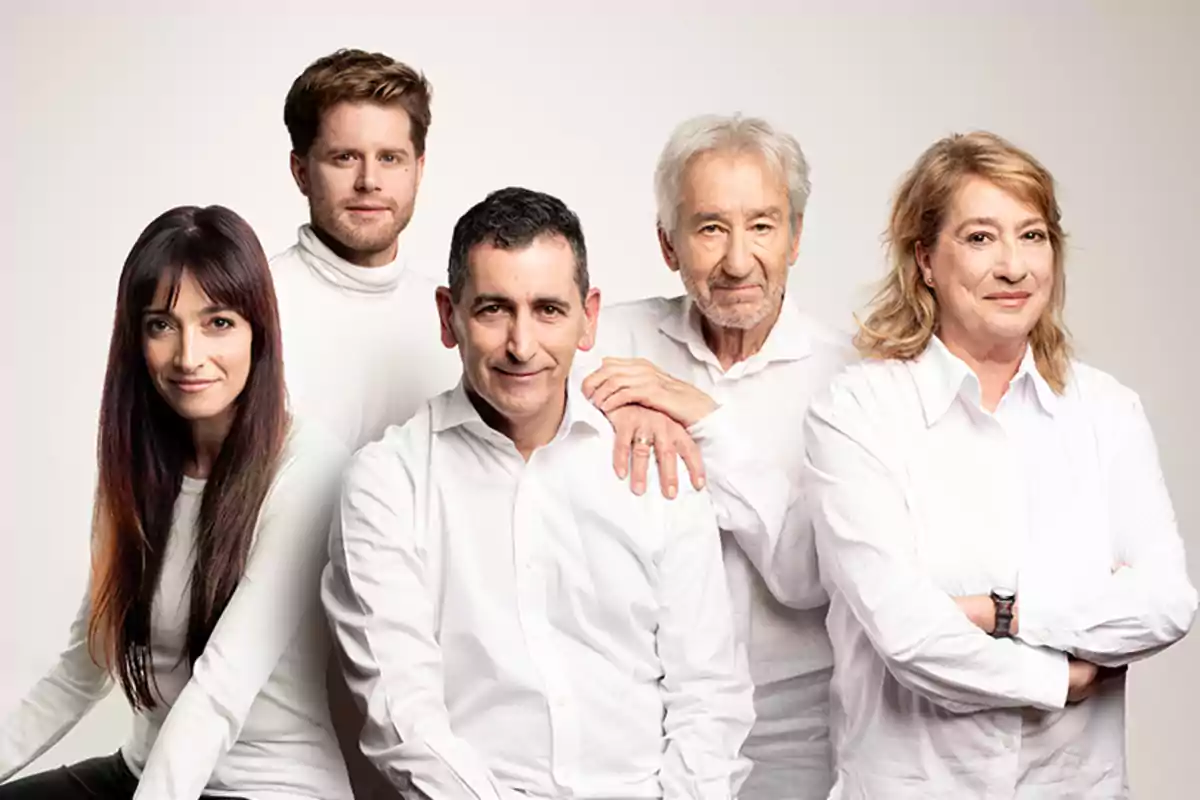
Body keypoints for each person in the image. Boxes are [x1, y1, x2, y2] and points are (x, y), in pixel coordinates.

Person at [322, 187, 755, 800]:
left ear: (589, 317)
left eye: (548, 310)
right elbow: (403, 717)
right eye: (494, 310)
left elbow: (709, 694)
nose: (522, 345)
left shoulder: (654, 459)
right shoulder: (388, 483)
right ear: (449, 317)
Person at [803, 130, 1198, 797]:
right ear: (925, 258)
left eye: (1033, 236)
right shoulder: (858, 412)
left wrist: (999, 612)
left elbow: (1165, 604)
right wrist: (1055, 675)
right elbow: (906, 635)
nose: (1014, 268)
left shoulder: (1107, 410)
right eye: (981, 238)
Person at [0, 206, 353, 800]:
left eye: (218, 322)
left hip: (269, 788)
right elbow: (79, 672)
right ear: (136, 340)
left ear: (258, 331)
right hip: (146, 771)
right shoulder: (136, 467)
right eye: (162, 325)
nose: (189, 356)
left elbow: (221, 692)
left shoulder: (309, 465)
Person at [581, 114, 851, 799]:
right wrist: (628, 403)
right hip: (632, 713)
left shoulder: (847, 381)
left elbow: (807, 575)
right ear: (668, 245)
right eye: (709, 228)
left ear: (795, 237)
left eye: (761, 225)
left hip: (795, 727)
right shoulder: (606, 342)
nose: (737, 260)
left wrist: (701, 418)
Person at [273, 48, 460, 451]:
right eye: (344, 158)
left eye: (390, 158)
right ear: (301, 172)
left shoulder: (455, 317)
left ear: (419, 169)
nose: (369, 181)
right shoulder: (252, 306)